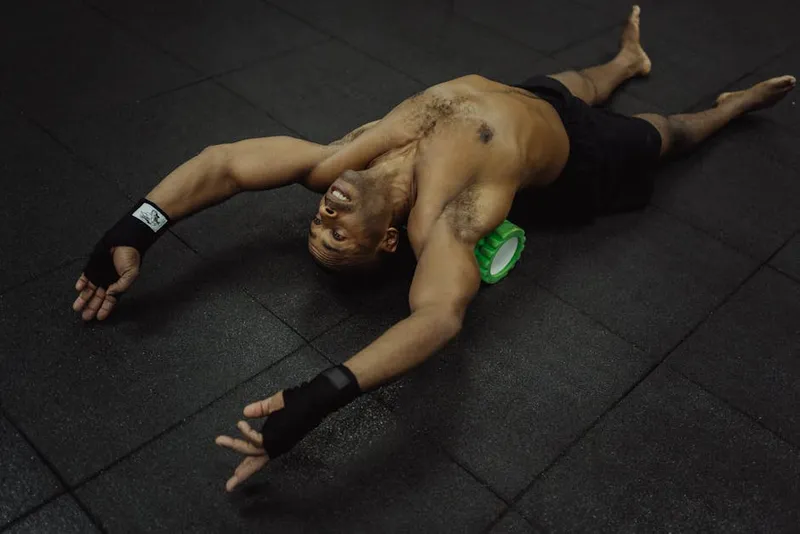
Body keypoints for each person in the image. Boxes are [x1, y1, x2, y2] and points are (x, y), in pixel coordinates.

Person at [71, 6, 795, 492]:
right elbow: (439, 316)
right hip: (577, 155)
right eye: (337, 236)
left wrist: (133, 229)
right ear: (388, 240)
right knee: (667, 135)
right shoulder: (442, 220)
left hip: (525, 94)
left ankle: (626, 61)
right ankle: (731, 109)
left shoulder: (337, 162)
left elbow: (225, 164)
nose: (323, 216)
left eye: (317, 227)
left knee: (574, 83)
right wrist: (322, 396)